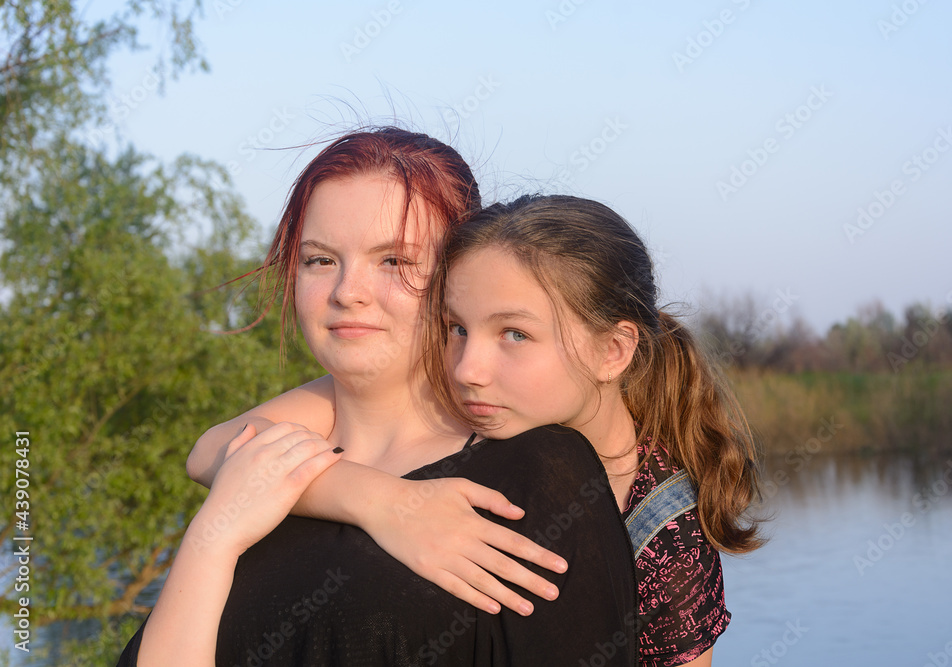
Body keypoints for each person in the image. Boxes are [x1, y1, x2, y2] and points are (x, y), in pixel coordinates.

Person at [117, 128, 637, 666]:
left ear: (460, 274)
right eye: (320, 260)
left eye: (392, 261)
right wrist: (211, 543)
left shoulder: (536, 475)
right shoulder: (258, 476)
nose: (347, 291)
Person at [188, 190, 765, 665]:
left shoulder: (661, 525)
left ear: (612, 350)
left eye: (514, 334)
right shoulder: (457, 401)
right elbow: (216, 449)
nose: (468, 369)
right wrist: (380, 501)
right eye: (455, 328)